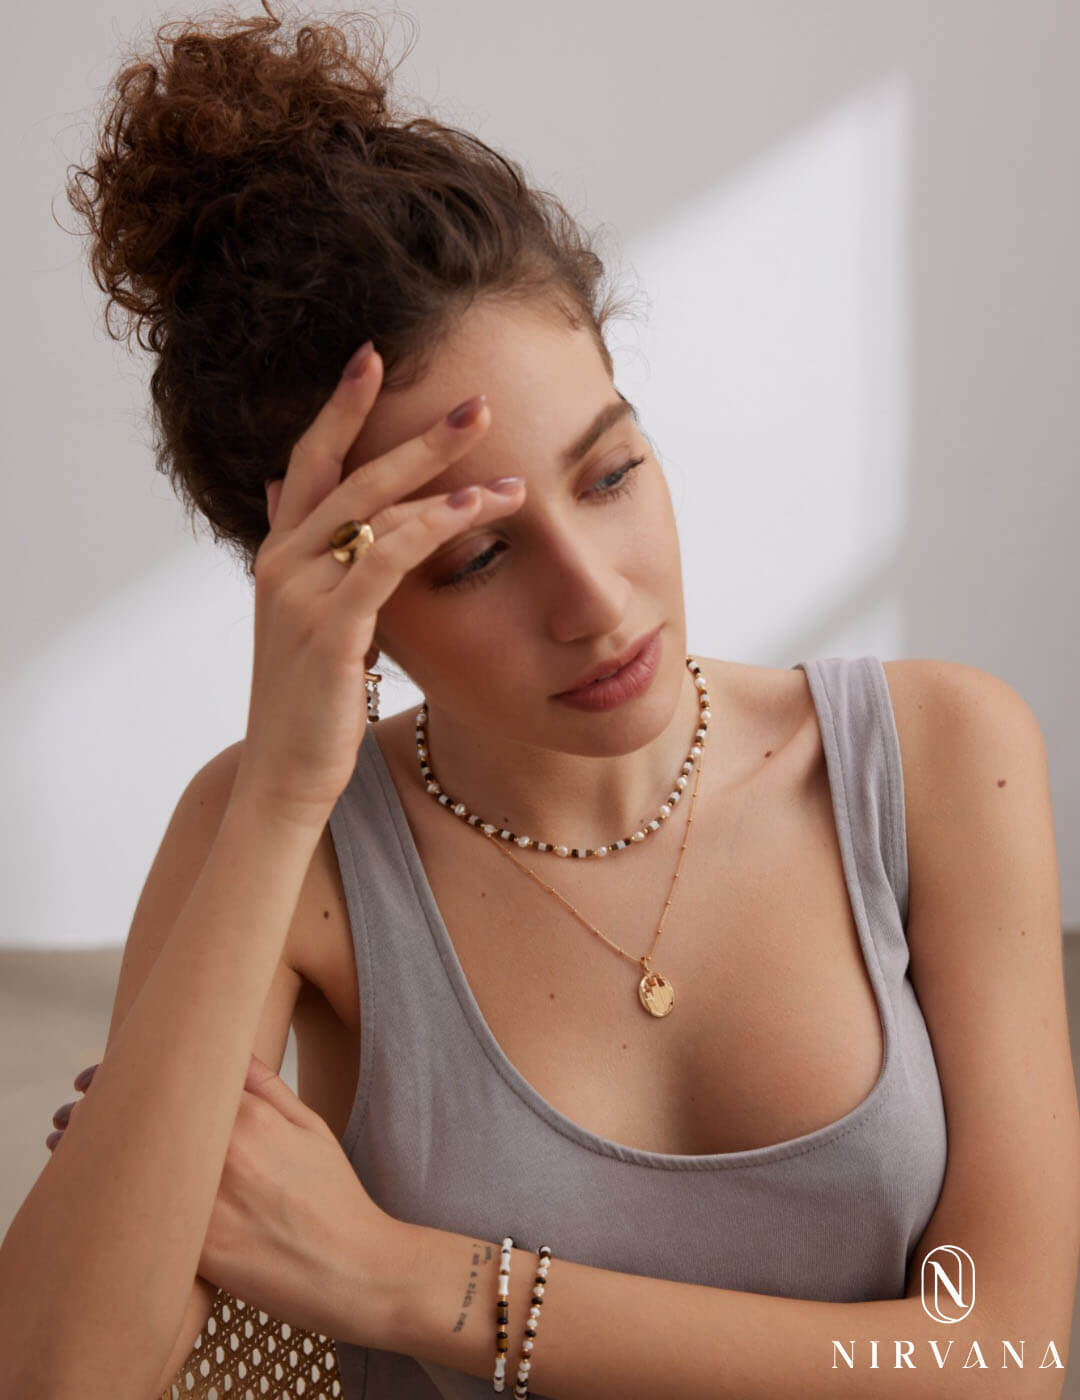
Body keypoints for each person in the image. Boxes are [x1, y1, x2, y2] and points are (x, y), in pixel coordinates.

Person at [4, 5, 1077, 1399]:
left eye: (613, 472)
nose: (597, 599)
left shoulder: (938, 753)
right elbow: (57, 1379)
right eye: (475, 557)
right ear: (343, 593)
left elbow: (1010, 1356)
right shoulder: (281, 839)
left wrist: (421, 1284)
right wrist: (280, 790)